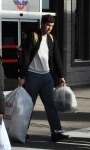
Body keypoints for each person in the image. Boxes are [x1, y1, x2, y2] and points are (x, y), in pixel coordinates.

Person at [18, 14, 69, 142]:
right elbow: (26, 56)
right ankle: (21, 132)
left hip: (47, 76)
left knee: (51, 105)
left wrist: (61, 76)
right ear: (42, 24)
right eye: (47, 25)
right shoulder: (33, 36)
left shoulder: (52, 38)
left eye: (52, 26)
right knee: (29, 105)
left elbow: (57, 58)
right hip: (32, 75)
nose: (49, 28)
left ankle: (56, 132)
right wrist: (22, 76)